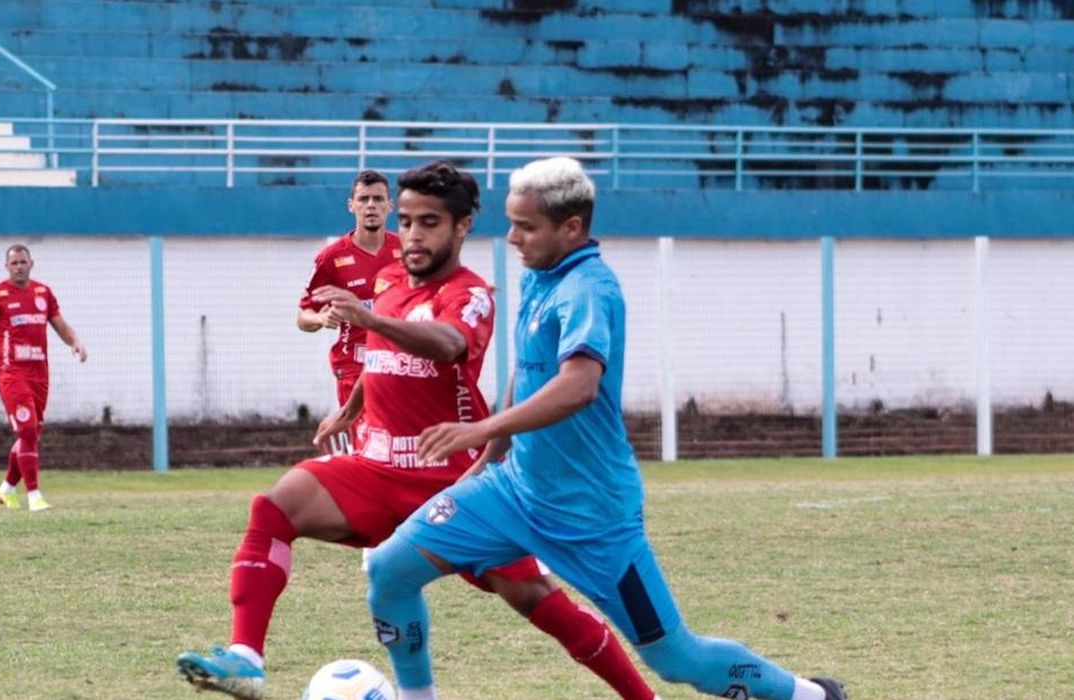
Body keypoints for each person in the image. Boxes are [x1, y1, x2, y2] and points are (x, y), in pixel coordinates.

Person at [365, 157, 849, 700]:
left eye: (526, 226)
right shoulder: (538, 277)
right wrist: (490, 458)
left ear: (571, 227)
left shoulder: (589, 289)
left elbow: (578, 385)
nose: (512, 238)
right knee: (389, 571)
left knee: (676, 658)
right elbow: (527, 372)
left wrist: (479, 430)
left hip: (593, 515)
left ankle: (812, 695)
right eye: (510, 222)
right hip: (514, 491)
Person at [176, 161, 658, 700]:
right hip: (375, 468)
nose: (411, 235)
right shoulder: (387, 285)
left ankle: (645, 697)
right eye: (405, 221)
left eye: (428, 222)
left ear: (462, 226)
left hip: (448, 481)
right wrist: (352, 408)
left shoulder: (471, 294)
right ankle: (246, 659)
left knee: (534, 598)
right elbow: (384, 359)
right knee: (274, 507)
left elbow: (446, 343)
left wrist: (371, 319)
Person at [0, 244, 88, 512]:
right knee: (26, 430)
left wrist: (75, 342)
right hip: (11, 372)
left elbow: (60, 325)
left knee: (31, 434)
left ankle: (7, 488)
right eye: (14, 263)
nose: (19, 267)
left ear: (31, 264)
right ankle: (34, 496)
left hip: (40, 373)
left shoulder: (43, 292)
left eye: (23, 262)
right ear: (7, 267)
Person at [297, 169, 400, 443]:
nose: (370, 206)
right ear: (351, 205)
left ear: (390, 205)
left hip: (398, 362)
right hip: (354, 365)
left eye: (378, 199)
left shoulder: (406, 252)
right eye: (364, 199)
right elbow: (302, 316)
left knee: (399, 441)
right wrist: (320, 319)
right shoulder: (331, 258)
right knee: (368, 444)